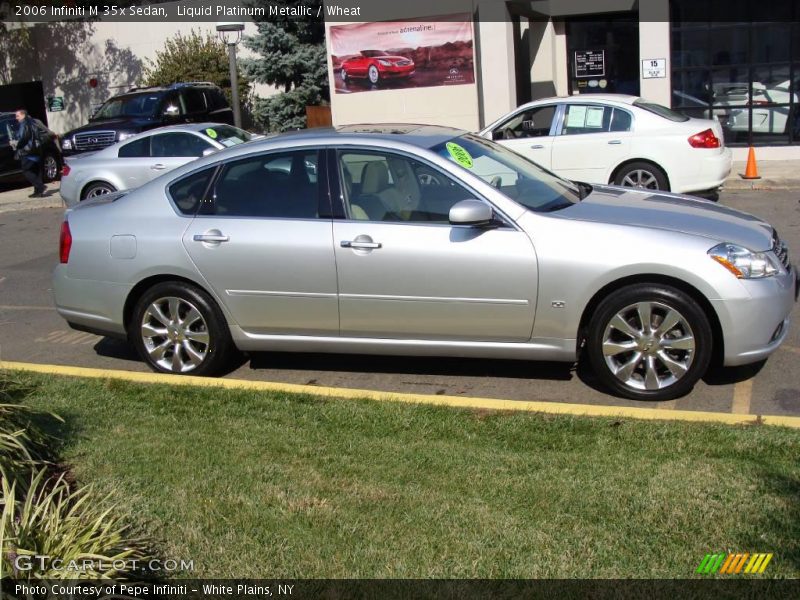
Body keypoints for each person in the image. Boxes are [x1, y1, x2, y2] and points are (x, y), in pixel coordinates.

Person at [12, 108, 46, 198]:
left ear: (23, 115)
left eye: (17, 116)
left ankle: (40, 186)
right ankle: (38, 192)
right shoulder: (33, 122)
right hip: (36, 150)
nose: (16, 118)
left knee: (26, 170)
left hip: (27, 151)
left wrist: (17, 145)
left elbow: (24, 137)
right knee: (35, 170)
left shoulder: (24, 124)